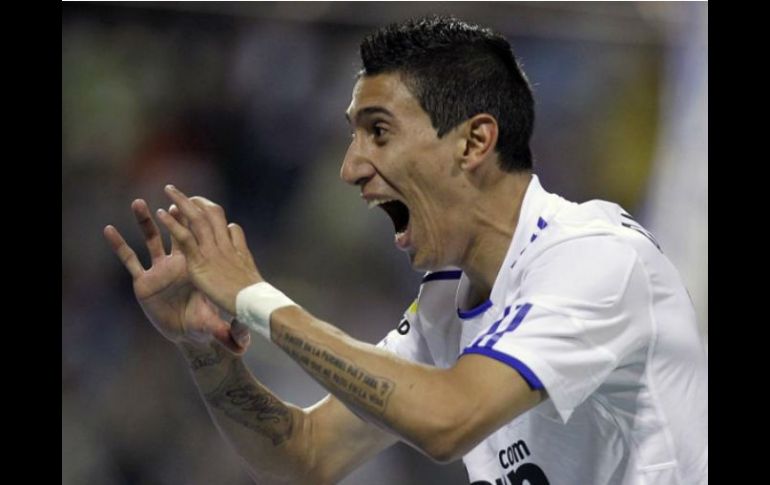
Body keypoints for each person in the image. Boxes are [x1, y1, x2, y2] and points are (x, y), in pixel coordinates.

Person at [104, 15, 708, 485]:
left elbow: (450, 421)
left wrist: (257, 299)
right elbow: (306, 457)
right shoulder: (446, 306)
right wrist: (205, 349)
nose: (350, 168)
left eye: (379, 131)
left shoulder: (596, 257)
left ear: (474, 141)